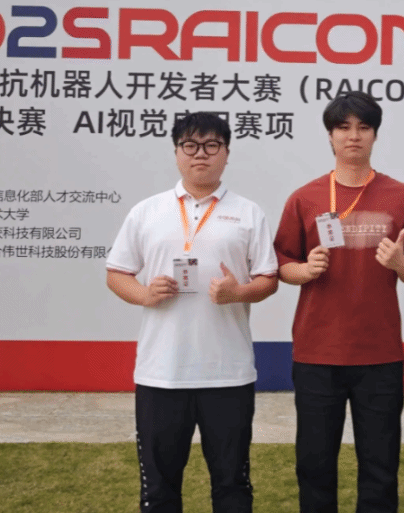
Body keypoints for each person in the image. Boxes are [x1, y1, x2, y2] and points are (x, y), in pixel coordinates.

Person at [106, 113, 279, 513]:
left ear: (226, 153)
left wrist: (238, 292)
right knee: (159, 490)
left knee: (233, 485)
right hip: (161, 373)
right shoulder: (147, 211)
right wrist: (145, 294)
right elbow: (116, 273)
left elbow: (268, 279)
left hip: (228, 373)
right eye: (190, 145)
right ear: (176, 153)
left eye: (211, 145)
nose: (201, 154)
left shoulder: (248, 213)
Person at [274, 91, 404, 513]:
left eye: (363, 127)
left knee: (380, 464)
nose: (353, 136)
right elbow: (281, 263)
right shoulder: (304, 198)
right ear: (330, 135)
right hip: (317, 351)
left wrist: (399, 263)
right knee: (314, 462)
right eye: (343, 127)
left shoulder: (403, 197)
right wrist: (305, 270)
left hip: (379, 353)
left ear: (375, 134)